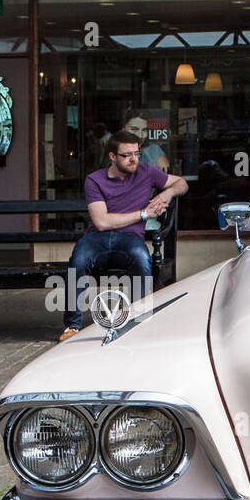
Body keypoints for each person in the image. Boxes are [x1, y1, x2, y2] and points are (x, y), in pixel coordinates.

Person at [59, 128, 188, 343]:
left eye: (137, 153)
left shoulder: (147, 172)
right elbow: (101, 222)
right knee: (78, 261)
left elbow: (182, 183)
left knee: (141, 259)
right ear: (112, 156)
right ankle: (72, 325)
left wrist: (167, 192)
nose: (133, 159)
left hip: (130, 238)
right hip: (97, 239)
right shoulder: (94, 180)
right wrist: (143, 214)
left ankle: (140, 322)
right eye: (127, 155)